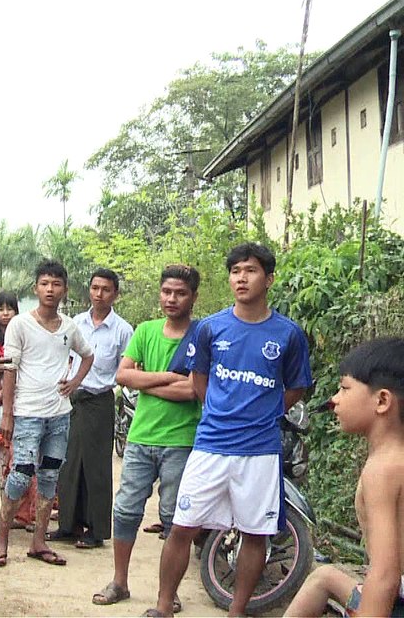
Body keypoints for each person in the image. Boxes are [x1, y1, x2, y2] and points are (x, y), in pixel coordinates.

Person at [150, 243, 312, 618]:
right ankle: (162, 606)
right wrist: (220, 412)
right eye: (236, 270)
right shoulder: (209, 328)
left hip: (259, 450)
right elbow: (198, 379)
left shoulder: (288, 335)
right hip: (210, 445)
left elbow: (295, 387)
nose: (242, 277)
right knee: (183, 526)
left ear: (268, 278)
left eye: (251, 270)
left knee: (256, 533)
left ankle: (237, 611)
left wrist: (261, 414)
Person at [91, 265, 201, 609]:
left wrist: (149, 381)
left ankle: (168, 595)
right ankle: (119, 582)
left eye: (180, 293)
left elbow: (194, 390)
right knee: (125, 511)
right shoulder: (146, 331)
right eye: (167, 291)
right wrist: (170, 378)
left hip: (182, 441)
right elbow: (123, 376)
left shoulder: (203, 335)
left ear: (193, 297)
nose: (172, 299)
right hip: (140, 438)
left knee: (174, 519)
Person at [284, 337, 404, 618]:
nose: (334, 399)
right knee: (324, 576)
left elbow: (385, 574)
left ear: (382, 400)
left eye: (344, 388)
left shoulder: (383, 469)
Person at [0, 260, 95, 569]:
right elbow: (10, 369)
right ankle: (1, 540)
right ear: (36, 288)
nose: (50, 289)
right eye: (45, 283)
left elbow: (87, 355)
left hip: (59, 415)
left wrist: (74, 382)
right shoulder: (20, 325)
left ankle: (39, 542)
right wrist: (8, 414)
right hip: (27, 414)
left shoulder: (69, 327)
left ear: (64, 289)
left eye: (56, 284)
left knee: (50, 476)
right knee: (20, 475)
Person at [51, 269, 134, 549]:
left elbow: (126, 369)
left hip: (99, 401)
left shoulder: (123, 329)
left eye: (106, 289)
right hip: (71, 398)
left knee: (96, 467)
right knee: (68, 462)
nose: (99, 294)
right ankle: (68, 525)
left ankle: (95, 529)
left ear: (115, 294)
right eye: (95, 288)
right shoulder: (75, 323)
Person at [0, 291, 36, 528]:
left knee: (14, 458)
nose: (5, 313)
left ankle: (16, 510)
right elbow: (1, 364)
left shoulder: (25, 333)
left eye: (9, 308)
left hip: (20, 403)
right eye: (0, 309)